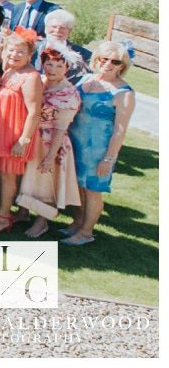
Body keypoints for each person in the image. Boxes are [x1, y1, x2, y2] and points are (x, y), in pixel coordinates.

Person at [63, 42, 137, 246]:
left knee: (92, 189)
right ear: (97, 59)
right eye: (104, 59)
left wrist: (109, 158)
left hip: (98, 149)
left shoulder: (124, 93)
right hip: (75, 142)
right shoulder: (86, 79)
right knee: (78, 185)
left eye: (115, 61)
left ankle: (86, 232)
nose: (108, 64)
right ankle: (78, 221)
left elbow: (120, 130)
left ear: (122, 65)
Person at [14, 43, 82, 238]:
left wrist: (51, 156)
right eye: (49, 64)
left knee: (46, 182)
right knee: (28, 179)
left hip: (52, 142)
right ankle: (23, 211)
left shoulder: (68, 93)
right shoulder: (39, 81)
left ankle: (42, 221)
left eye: (59, 66)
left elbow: (61, 128)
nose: (52, 70)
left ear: (67, 68)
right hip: (32, 137)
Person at [0, 31, 43, 234]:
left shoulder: (31, 77)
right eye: (11, 50)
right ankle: (2, 211)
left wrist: (23, 140)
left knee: (8, 177)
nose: (15, 55)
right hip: (1, 129)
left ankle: (3, 217)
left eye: (21, 51)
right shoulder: (9, 71)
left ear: (29, 54)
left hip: (15, 134)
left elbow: (34, 112)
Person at [35, 9, 92, 80]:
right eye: (54, 27)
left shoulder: (84, 54)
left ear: (70, 31)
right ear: (46, 28)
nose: (57, 31)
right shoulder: (32, 49)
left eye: (62, 28)